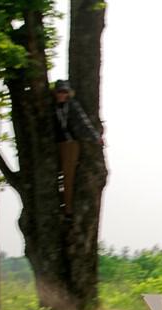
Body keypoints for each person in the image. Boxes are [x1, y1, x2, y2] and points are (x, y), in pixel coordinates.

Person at [53, 80, 102, 217]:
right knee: (55, 175)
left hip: (70, 144)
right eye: (59, 92)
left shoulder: (72, 106)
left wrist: (95, 137)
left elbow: (83, 121)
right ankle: (60, 202)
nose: (62, 95)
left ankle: (67, 208)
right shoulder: (53, 106)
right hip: (57, 144)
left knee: (68, 175)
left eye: (64, 92)